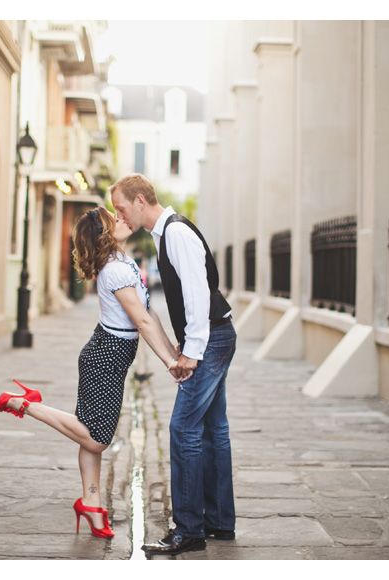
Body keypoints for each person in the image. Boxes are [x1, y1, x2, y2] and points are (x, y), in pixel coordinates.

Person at [0, 207, 186, 539]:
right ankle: (25, 404)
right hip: (105, 358)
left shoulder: (124, 263)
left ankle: (92, 506)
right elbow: (140, 322)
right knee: (97, 439)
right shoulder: (115, 270)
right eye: (116, 220)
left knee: (89, 432)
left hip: (110, 355)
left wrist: (173, 351)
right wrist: (169, 363)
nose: (123, 219)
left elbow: (149, 312)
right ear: (105, 235)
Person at [110, 173, 237, 556]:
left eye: (121, 207)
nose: (120, 216)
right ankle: (219, 523)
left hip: (211, 339)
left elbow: (198, 295)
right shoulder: (163, 235)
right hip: (216, 335)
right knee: (213, 431)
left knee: (182, 428)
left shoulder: (177, 233)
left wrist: (191, 353)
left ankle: (188, 530)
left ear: (140, 202)